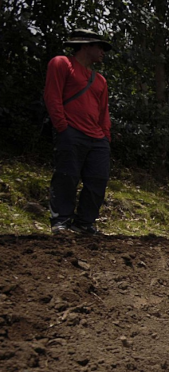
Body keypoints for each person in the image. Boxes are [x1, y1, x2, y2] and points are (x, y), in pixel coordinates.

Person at [44, 29, 113, 235]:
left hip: (97, 138)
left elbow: (103, 112)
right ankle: (61, 222)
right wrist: (62, 126)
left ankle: (84, 223)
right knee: (67, 176)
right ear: (85, 46)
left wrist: (105, 136)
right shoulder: (61, 64)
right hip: (71, 131)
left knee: (98, 180)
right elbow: (52, 96)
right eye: (99, 47)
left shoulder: (100, 80)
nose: (102, 52)